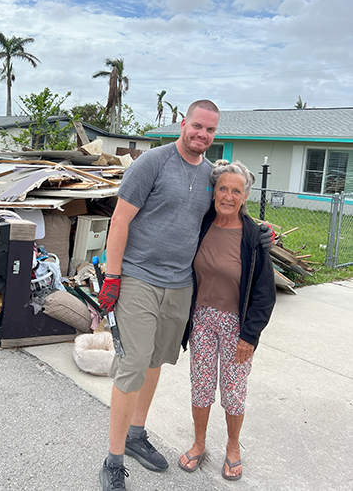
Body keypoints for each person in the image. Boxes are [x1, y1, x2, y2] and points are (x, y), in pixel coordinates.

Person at [97, 99, 222, 491]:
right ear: (183, 123)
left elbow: (228, 213)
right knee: (133, 362)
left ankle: (136, 434)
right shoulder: (151, 164)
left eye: (210, 130)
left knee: (155, 361)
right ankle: (113, 460)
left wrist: (260, 232)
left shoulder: (210, 175)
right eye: (197, 126)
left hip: (179, 284)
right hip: (137, 278)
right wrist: (112, 277)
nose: (202, 134)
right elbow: (120, 219)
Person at [177, 160, 276, 481]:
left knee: (234, 391)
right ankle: (199, 443)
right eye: (223, 189)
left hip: (237, 324)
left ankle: (233, 448)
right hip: (201, 319)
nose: (229, 196)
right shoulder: (202, 223)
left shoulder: (253, 237)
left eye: (237, 190)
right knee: (201, 385)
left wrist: (251, 336)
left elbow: (264, 293)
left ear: (245, 196)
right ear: (214, 192)